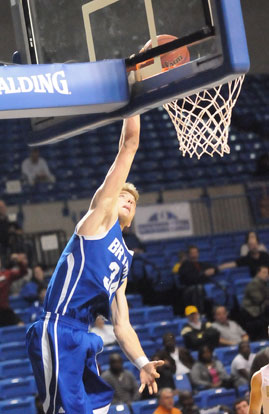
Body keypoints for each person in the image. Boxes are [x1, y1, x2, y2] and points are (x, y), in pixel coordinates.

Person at [26, 116, 164, 414]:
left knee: (98, 408)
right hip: (58, 328)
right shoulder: (98, 221)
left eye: (133, 201)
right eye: (122, 196)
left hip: (84, 338)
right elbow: (129, 145)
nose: (128, 200)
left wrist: (142, 362)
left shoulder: (124, 262)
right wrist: (134, 102)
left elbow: (122, 325)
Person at [241, 266, 269, 339]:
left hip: (261, 309)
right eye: (264, 272)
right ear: (258, 273)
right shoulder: (254, 283)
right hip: (252, 311)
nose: (267, 275)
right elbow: (259, 299)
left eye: (267, 273)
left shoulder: (264, 283)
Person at [0, 253, 28, 326]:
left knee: (21, 325)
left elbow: (23, 272)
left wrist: (19, 261)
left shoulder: (6, 274)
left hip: (5, 311)